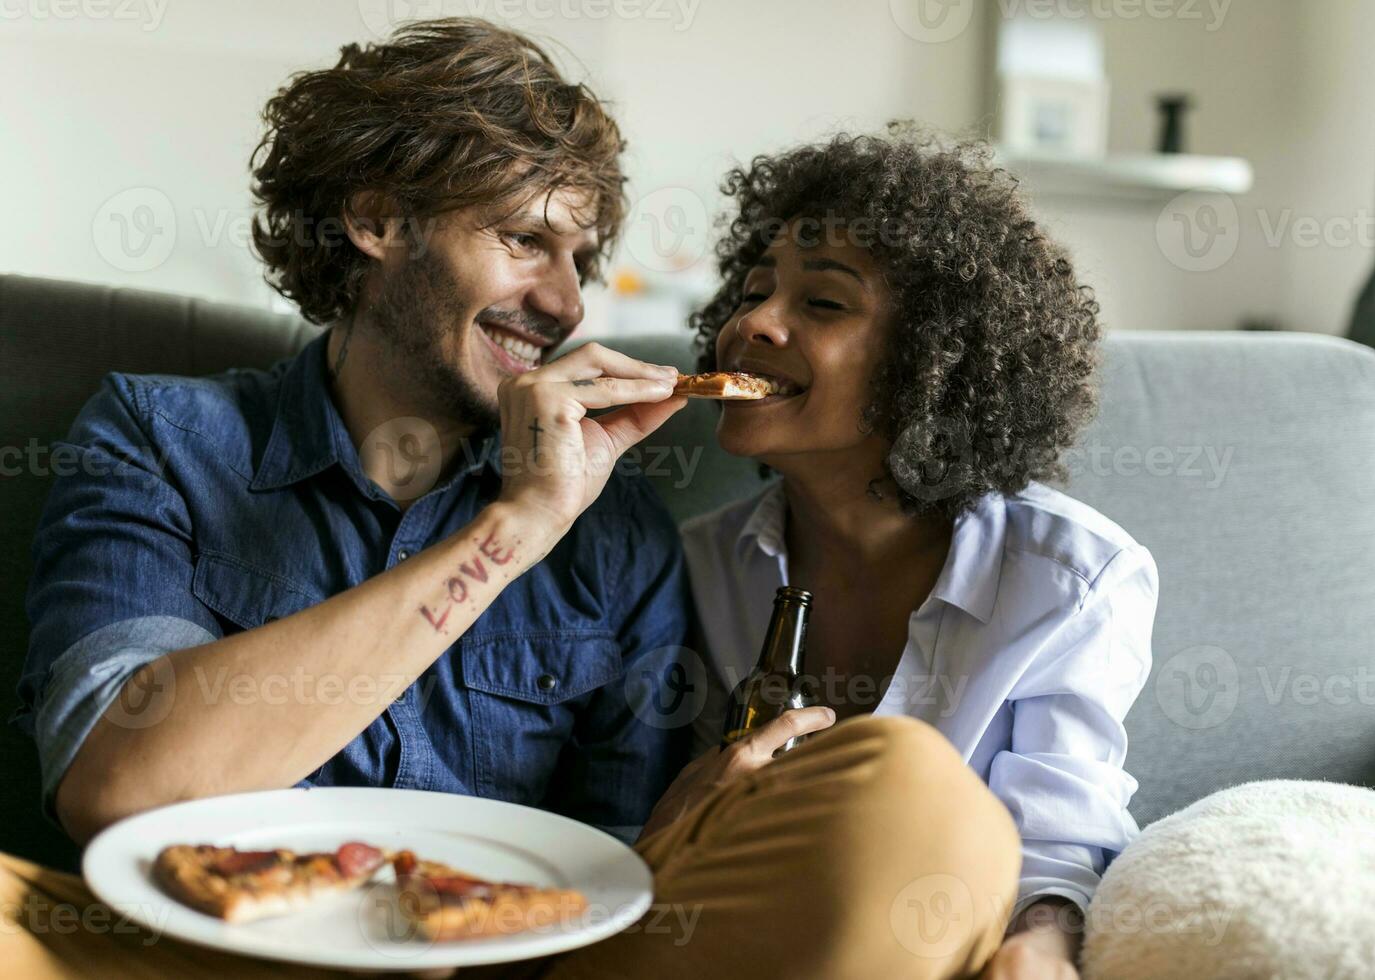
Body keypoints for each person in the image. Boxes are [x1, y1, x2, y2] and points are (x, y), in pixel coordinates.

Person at [3, 20, 1027, 980]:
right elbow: (118, 785)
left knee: (917, 796)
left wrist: (693, 816)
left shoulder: (619, 531)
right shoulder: (160, 438)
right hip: (182, 955)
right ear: (374, 220)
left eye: (581, 259)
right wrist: (513, 526)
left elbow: (628, 876)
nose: (567, 302)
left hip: (512, 963)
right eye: (526, 241)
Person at [678, 129, 1160, 978]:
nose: (750, 324)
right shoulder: (695, 565)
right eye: (753, 293)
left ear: (931, 363)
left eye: (822, 304)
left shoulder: (1072, 581)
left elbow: (1057, 846)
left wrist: (1040, 945)